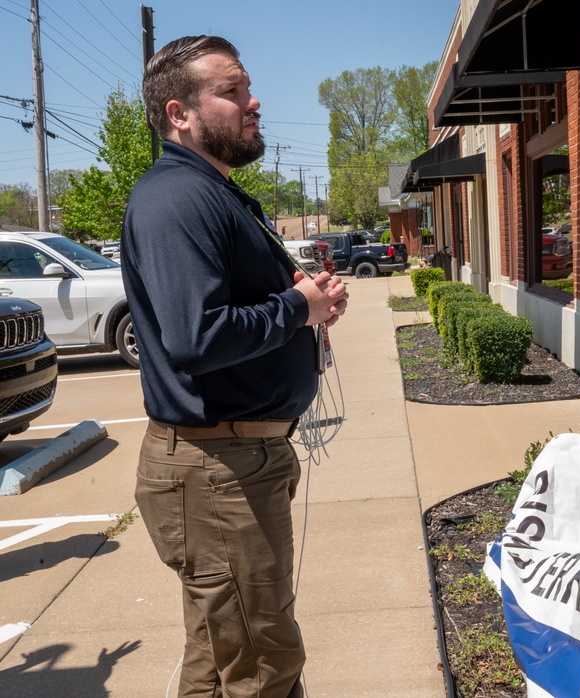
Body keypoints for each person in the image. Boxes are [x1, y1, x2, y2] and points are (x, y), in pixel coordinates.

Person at [121, 35, 348, 698]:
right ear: (178, 114)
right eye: (232, 91)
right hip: (217, 471)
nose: (254, 103)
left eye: (247, 88)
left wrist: (307, 307)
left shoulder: (210, 193)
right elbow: (196, 338)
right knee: (263, 665)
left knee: (220, 659)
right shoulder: (177, 200)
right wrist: (297, 309)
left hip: (233, 466)